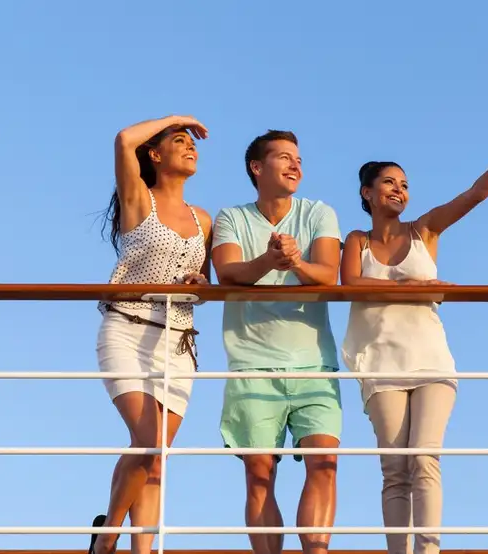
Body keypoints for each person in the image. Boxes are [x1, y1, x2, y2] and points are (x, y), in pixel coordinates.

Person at [340, 129, 488, 554]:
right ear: (367, 192)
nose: (399, 190)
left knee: (424, 457)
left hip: (430, 359)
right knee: (394, 468)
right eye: (389, 182)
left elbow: (475, 195)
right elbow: (351, 284)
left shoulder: (425, 229)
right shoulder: (357, 241)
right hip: (379, 362)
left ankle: (429, 551)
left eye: (404, 184)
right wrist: (416, 286)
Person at [211, 130, 342, 554]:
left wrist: (296, 261)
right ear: (257, 167)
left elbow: (329, 274)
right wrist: (270, 259)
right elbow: (227, 272)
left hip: (314, 363)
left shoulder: (319, 212)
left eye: (298, 159)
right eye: (284, 157)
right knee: (259, 475)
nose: (295, 165)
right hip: (252, 363)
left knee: (325, 465)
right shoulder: (231, 217)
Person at [89, 114, 213, 554]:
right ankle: (107, 538)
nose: (190, 146)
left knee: (157, 456)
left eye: (191, 142)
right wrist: (178, 118)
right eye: (179, 141)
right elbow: (125, 139)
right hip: (127, 329)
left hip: (178, 343)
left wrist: (202, 285)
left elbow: (204, 288)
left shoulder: (203, 219)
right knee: (147, 441)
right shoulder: (139, 199)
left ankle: (141, 550)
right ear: (155, 155)